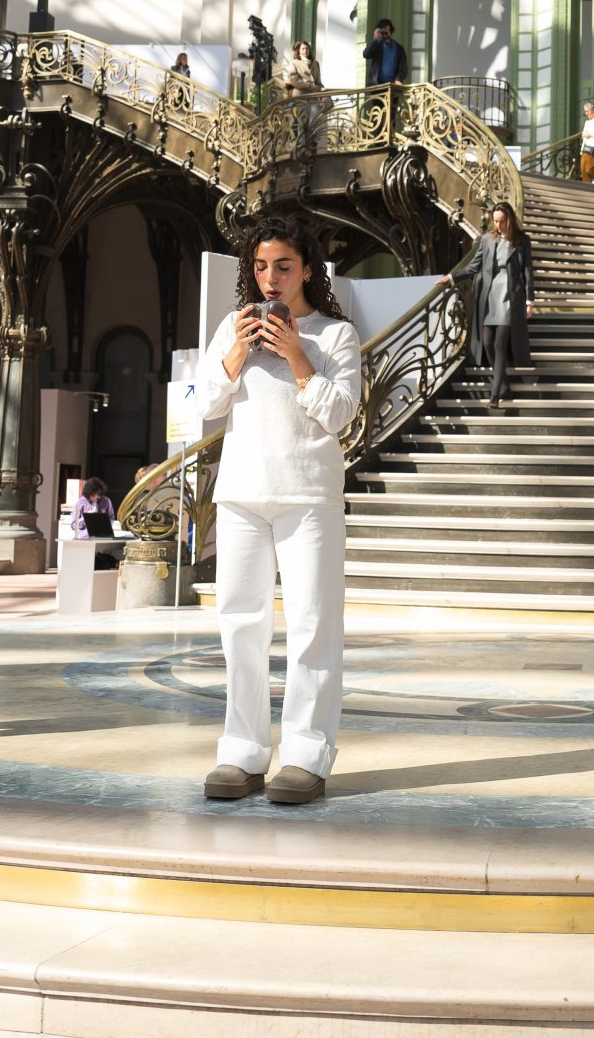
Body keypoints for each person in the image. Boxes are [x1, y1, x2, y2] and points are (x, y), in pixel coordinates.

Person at [196, 214, 362, 806]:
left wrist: (296, 356)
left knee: (313, 626)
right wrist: (239, 350)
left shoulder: (334, 336)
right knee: (240, 625)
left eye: (283, 266)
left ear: (307, 271)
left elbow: (341, 413)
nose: (270, 278)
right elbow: (207, 405)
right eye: (261, 267)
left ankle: (305, 754)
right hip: (241, 491)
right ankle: (241, 752)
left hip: (308, 494)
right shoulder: (231, 328)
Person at [443, 203, 534, 408]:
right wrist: (451, 278)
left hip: (510, 297)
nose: (498, 225)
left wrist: (530, 300)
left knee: (500, 344)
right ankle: (504, 387)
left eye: (502, 221)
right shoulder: (486, 239)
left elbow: (527, 272)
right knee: (487, 343)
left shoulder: (522, 241)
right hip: (490, 295)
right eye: (495, 220)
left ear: (510, 220)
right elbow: (474, 266)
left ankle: (495, 396)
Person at [72, 477, 119, 565]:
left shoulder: (106, 501)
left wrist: (105, 522)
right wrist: (86, 518)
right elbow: (74, 525)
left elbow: (112, 517)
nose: (97, 497)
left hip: (103, 537)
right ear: (88, 493)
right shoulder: (80, 503)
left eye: (99, 494)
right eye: (94, 495)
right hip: (86, 539)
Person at [361, 19, 407, 87]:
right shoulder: (376, 44)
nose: (384, 33)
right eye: (382, 30)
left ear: (391, 31)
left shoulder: (399, 48)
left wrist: (398, 79)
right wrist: (375, 39)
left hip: (392, 86)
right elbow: (366, 55)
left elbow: (403, 67)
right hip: (376, 86)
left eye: (386, 30)